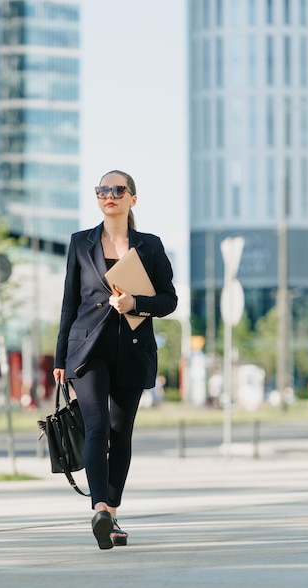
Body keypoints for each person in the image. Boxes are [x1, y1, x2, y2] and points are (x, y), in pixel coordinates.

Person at [53, 169, 178, 550]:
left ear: (132, 199)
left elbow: (169, 300)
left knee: (120, 433)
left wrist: (134, 303)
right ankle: (100, 509)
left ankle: (114, 516)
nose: (110, 195)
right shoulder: (79, 243)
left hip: (133, 349)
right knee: (96, 426)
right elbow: (69, 304)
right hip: (87, 350)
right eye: (103, 189)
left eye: (118, 189)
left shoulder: (151, 246)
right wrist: (60, 357)